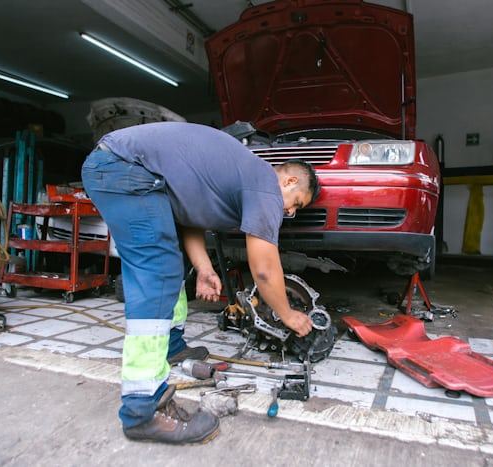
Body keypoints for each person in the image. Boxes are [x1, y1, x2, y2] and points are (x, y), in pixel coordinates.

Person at [81, 121, 320, 445]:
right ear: (289, 181)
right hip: (124, 167)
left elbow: (188, 218)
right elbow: (264, 269)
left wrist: (203, 267)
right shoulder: (265, 183)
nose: (289, 211)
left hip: (124, 166)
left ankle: (171, 346)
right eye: (296, 203)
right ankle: (143, 408)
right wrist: (287, 314)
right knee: (158, 273)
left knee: (171, 263)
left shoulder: (238, 175)